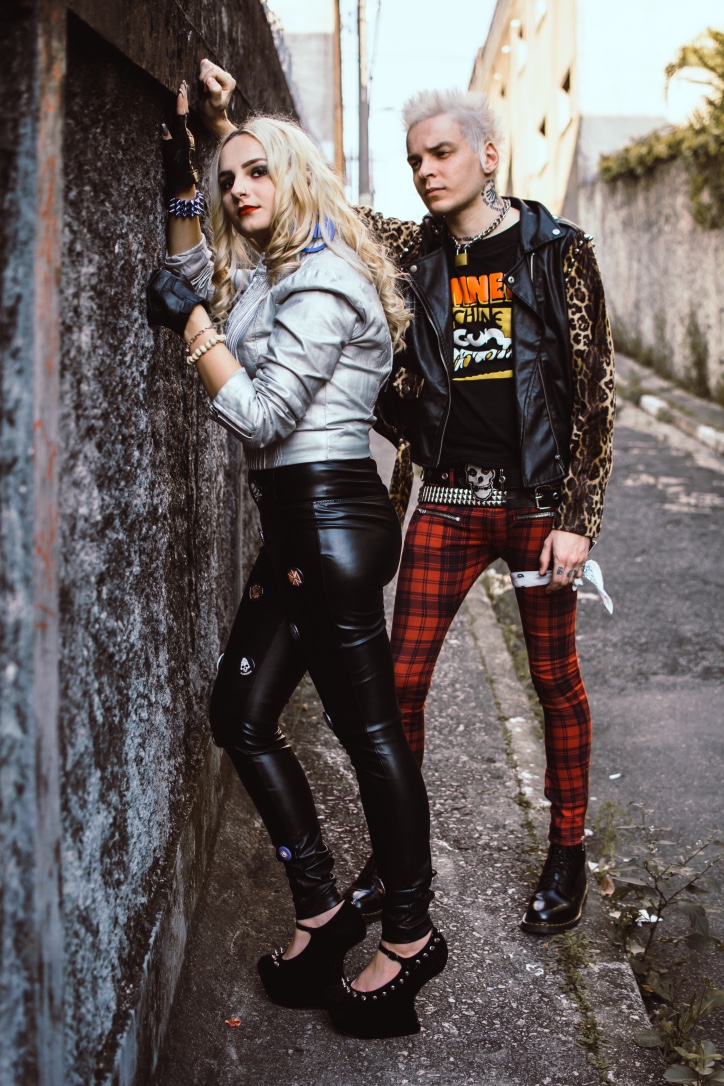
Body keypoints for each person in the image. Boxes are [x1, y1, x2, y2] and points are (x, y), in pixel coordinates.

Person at [195, 71, 615, 935]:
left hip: (537, 505)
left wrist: (580, 520)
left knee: (554, 681)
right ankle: (396, 863)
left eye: (443, 153)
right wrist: (227, 124)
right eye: (416, 159)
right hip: (448, 501)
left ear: (488, 156)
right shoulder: (410, 247)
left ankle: (567, 850)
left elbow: (594, 392)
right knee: (398, 687)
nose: (426, 170)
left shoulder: (557, 249)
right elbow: (299, 185)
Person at [145, 77, 447, 1039]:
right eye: (229, 176)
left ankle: (410, 936)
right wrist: (185, 179)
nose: (239, 187)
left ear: (298, 178)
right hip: (295, 526)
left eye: (257, 172)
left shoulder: (321, 279)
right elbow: (196, 278)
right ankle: (321, 913)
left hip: (326, 518)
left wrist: (191, 328)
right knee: (239, 716)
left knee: (371, 736)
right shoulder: (276, 272)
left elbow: (262, 411)